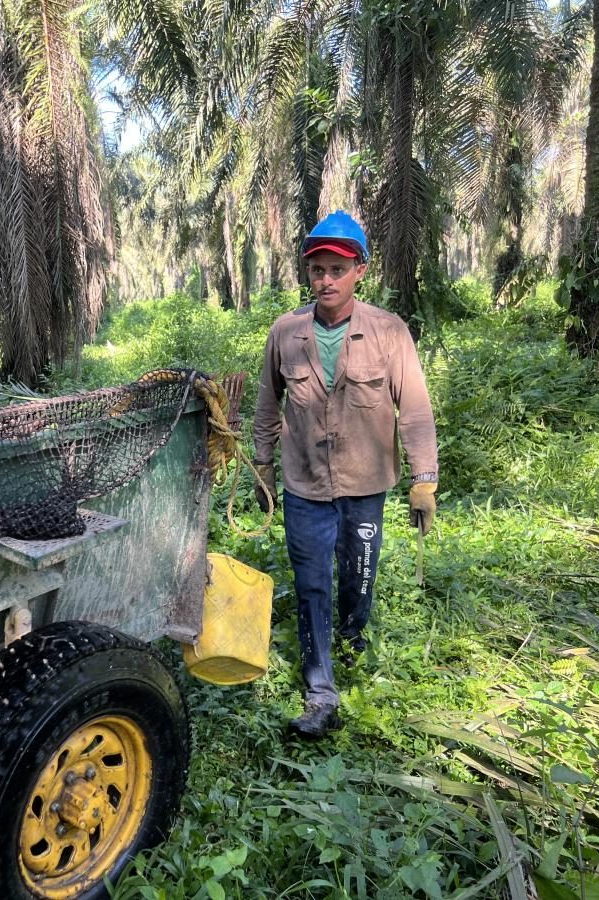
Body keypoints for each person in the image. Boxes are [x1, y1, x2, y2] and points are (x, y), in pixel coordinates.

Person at [251, 210, 439, 739]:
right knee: (311, 585)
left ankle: (354, 642)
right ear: (308, 275)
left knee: (358, 577)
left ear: (359, 271)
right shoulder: (286, 333)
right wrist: (262, 463)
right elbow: (268, 404)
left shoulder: (388, 331)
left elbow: (416, 408)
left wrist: (423, 477)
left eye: (337, 269)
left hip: (365, 486)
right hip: (304, 485)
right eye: (317, 270)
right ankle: (320, 690)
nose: (326, 280)